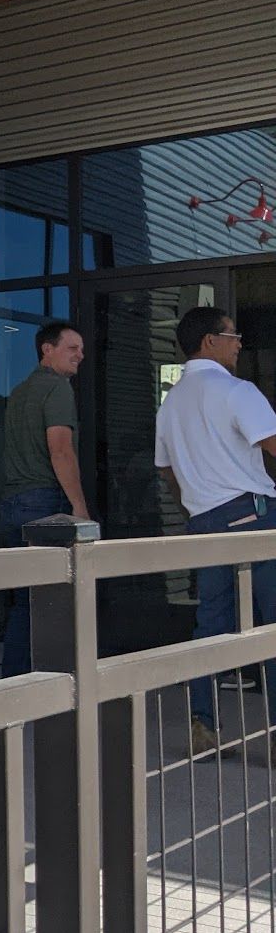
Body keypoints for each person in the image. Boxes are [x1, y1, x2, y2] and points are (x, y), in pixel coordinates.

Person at [153, 306, 276, 756]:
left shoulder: (171, 403)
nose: (239, 343)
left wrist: (196, 500)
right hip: (254, 514)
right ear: (210, 341)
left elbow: (165, 469)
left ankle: (202, 723)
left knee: (212, 624)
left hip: (204, 522)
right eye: (233, 335)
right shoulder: (235, 390)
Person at [0, 321, 89, 677]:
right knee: (49, 599)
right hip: (43, 502)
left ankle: (16, 677)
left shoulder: (20, 391)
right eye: (72, 348)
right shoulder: (58, 388)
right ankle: (41, 680)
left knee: (26, 600)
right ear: (46, 350)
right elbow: (61, 450)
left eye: (81, 349)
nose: (80, 355)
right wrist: (79, 507)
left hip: (13, 502)